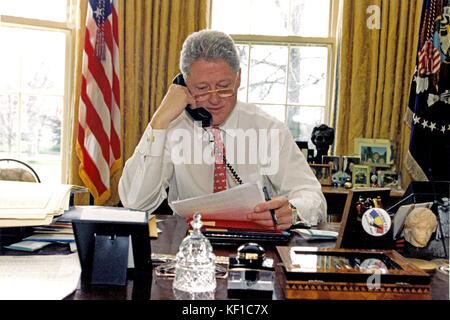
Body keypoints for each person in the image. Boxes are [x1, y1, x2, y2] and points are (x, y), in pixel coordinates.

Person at [118, 30, 327, 228]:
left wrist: (292, 210)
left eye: (224, 87)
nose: (214, 99)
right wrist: (159, 122)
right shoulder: (171, 127)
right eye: (202, 89)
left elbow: (312, 196)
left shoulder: (269, 128)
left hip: (256, 249)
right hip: (188, 246)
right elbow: (136, 203)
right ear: (184, 84)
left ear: (238, 79)